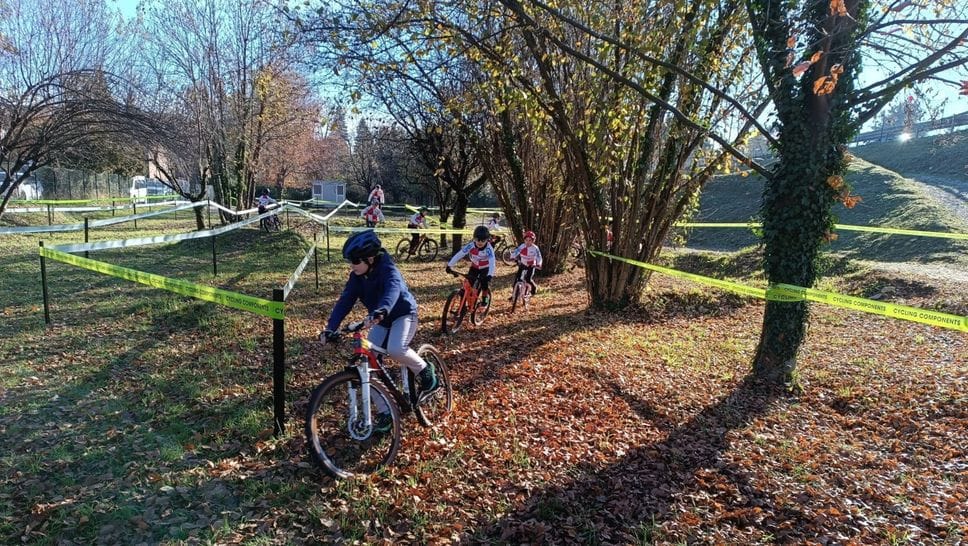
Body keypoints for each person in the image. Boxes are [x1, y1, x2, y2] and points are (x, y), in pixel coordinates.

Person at [320, 230, 438, 430]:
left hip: (403, 314)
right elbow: (345, 301)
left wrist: (380, 310)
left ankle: (426, 371)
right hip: (381, 320)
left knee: (396, 349)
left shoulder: (388, 269)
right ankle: (386, 413)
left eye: (355, 261)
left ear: (371, 258)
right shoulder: (357, 276)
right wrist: (330, 328)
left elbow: (393, 290)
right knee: (367, 364)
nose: (352, 265)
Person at [445, 225, 496, 306]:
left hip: (485, 268)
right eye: (477, 239)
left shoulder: (489, 249)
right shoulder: (471, 245)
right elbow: (460, 254)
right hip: (474, 267)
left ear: (487, 240)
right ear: (474, 238)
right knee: (468, 285)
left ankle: (485, 298)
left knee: (484, 282)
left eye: (483, 240)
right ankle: (464, 303)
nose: (479, 242)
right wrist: (449, 265)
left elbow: (492, 262)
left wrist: (490, 275)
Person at [509, 230, 542, 298]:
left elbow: (539, 257)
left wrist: (538, 264)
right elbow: (516, 251)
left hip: (531, 265)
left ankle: (533, 288)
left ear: (533, 241)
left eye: (530, 240)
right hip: (522, 264)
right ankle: (514, 294)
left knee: (528, 279)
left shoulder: (535, 248)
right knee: (517, 279)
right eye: (526, 240)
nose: (528, 242)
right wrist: (512, 257)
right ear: (524, 240)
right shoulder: (522, 246)